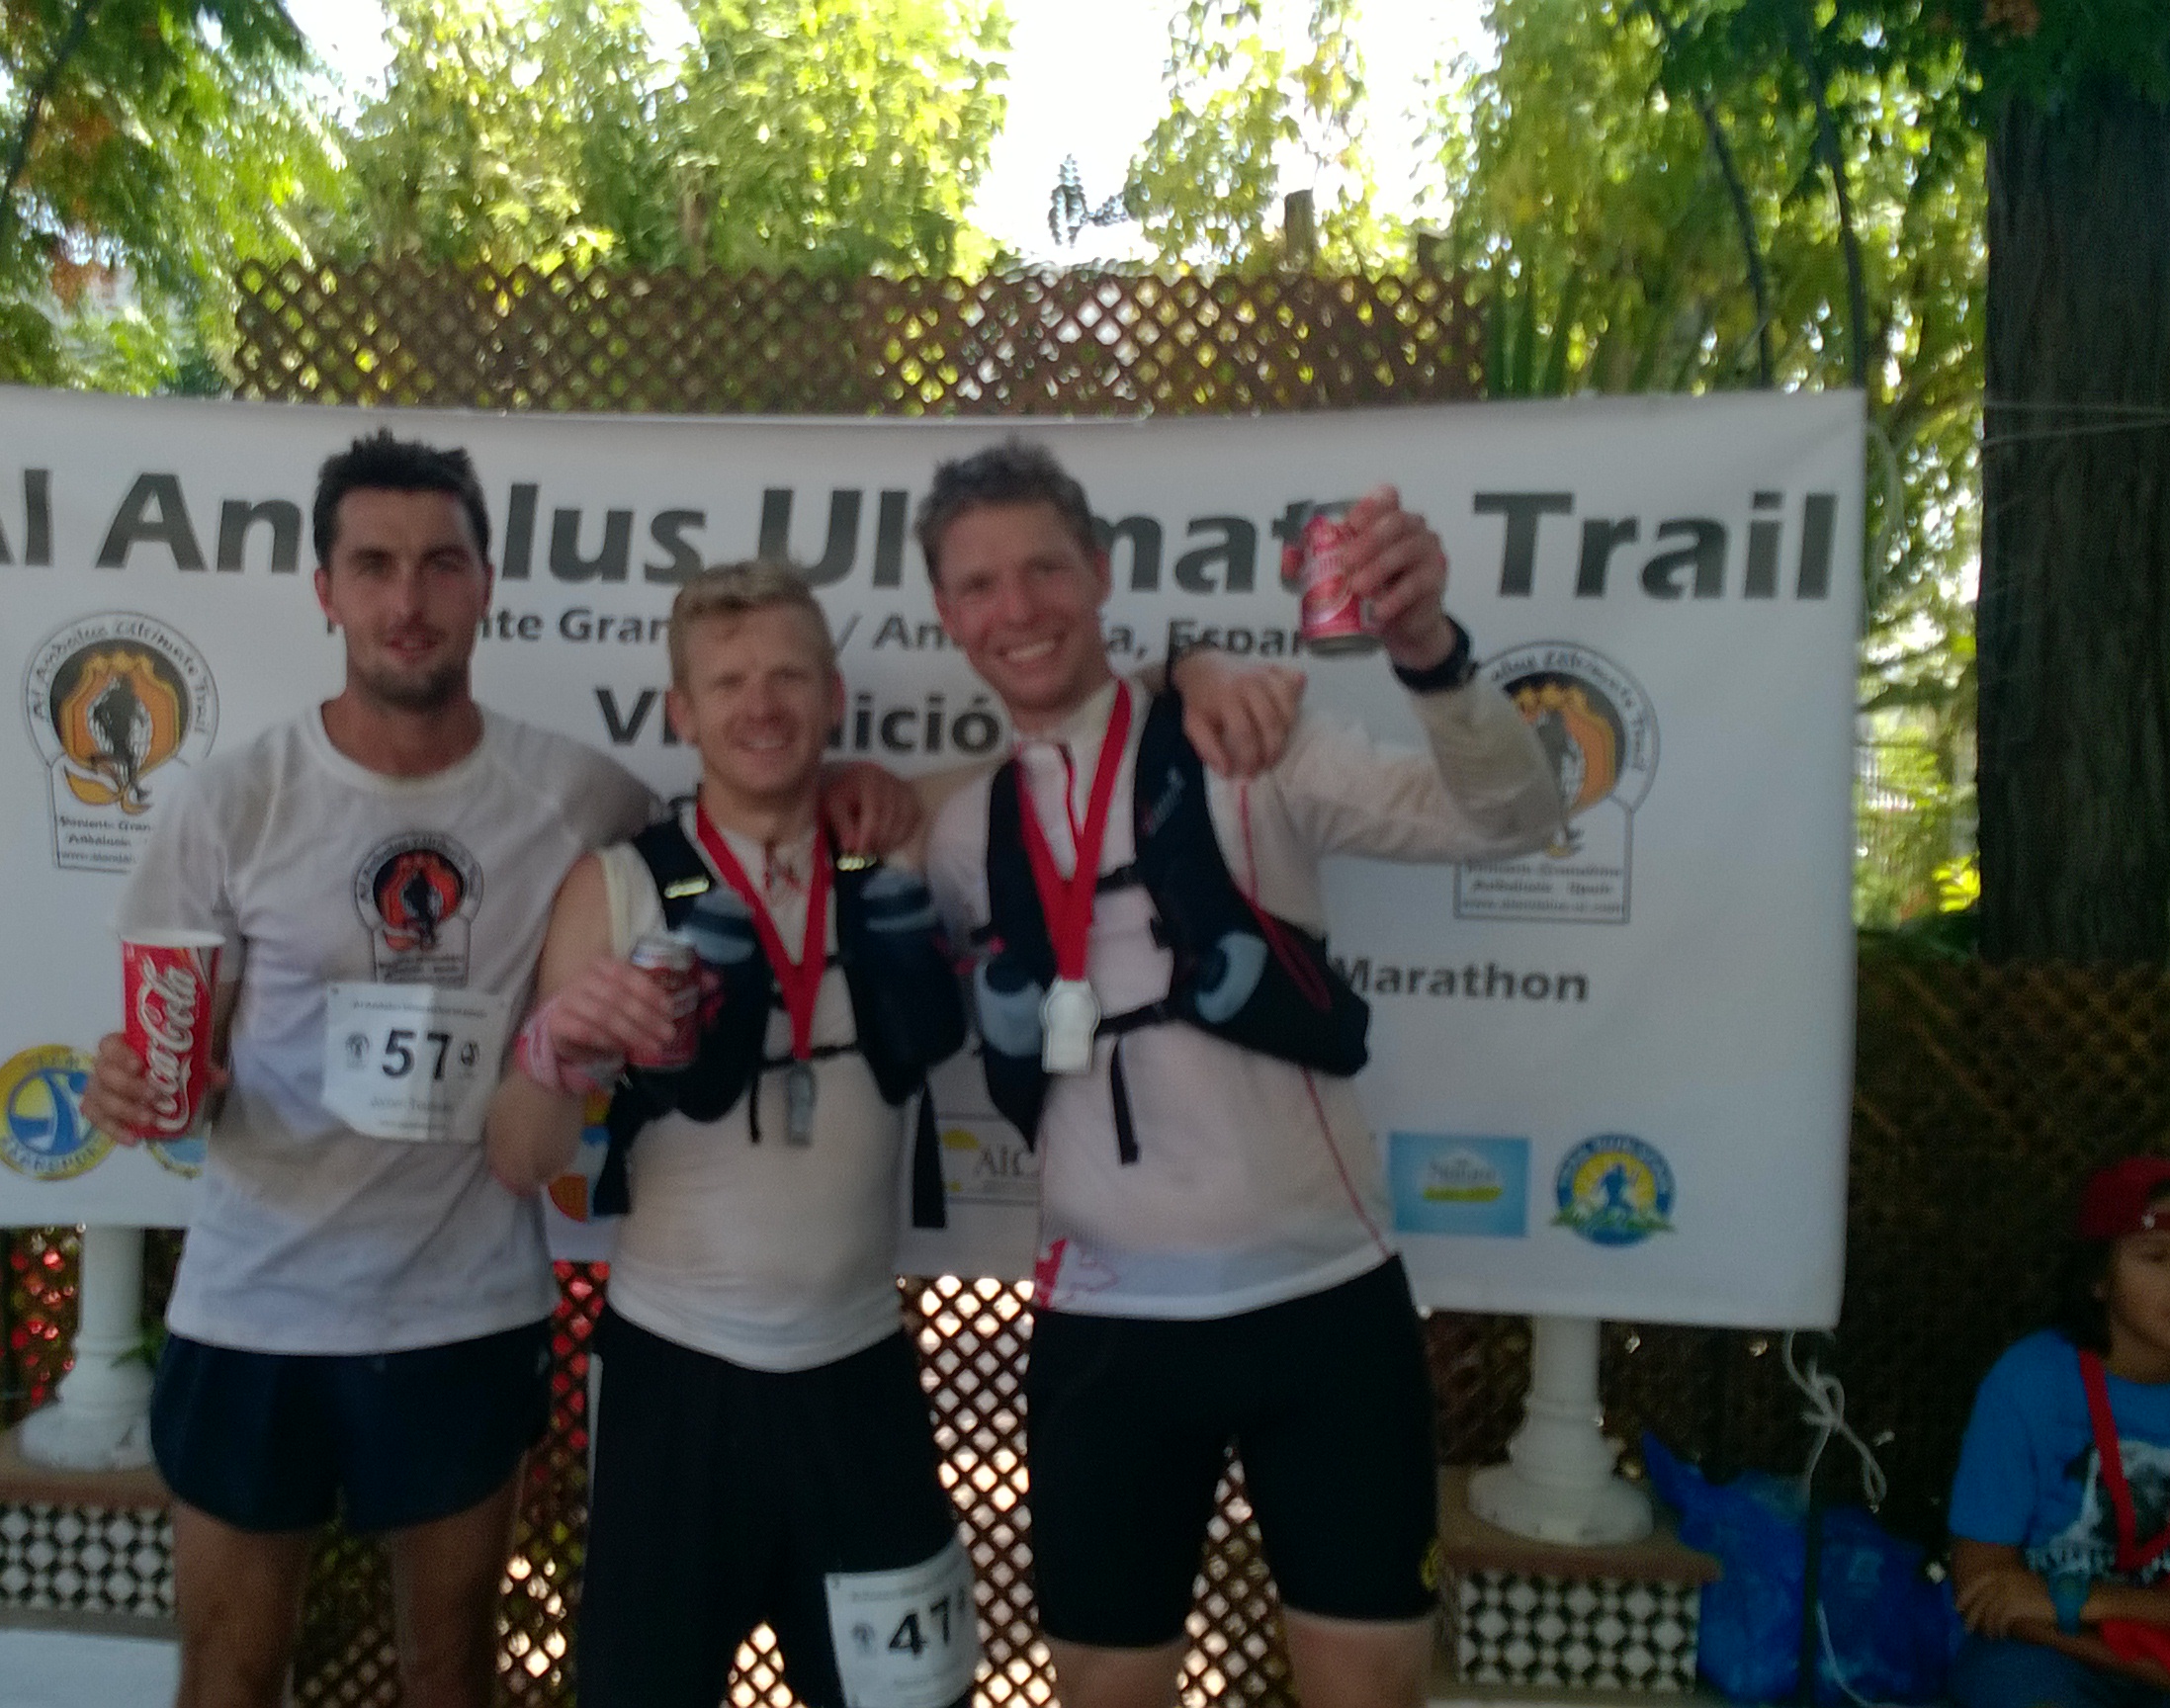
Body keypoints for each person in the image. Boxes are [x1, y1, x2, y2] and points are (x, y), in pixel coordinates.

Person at [77, 433, 920, 1708]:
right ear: (325, 590)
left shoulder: (582, 798)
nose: (406, 600)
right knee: (230, 1670)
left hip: (463, 1307)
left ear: (485, 584)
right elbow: (175, 1062)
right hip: (256, 1306)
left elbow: (746, 799)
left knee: (448, 1672)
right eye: (372, 565)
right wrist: (131, 1085)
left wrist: (854, 785)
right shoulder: (235, 798)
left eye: (438, 564)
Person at [486, 560, 1305, 1708]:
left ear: (833, 696)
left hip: (858, 1377)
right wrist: (553, 1048)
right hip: (674, 1383)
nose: (760, 706)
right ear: (682, 711)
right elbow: (521, 1160)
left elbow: (1068, 743)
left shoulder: (905, 839)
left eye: (786, 677)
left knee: (903, 1703)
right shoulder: (619, 886)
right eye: (726, 683)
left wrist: (1185, 668)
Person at [915, 439, 1567, 1708]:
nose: (1019, 609)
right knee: (1107, 1690)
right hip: (1106, 1329)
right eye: (981, 586)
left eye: (1046, 567)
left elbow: (1514, 818)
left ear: (1101, 573)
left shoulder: (1246, 743)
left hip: (1323, 1306)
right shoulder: (959, 830)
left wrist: (1428, 650)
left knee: (1368, 1690)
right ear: (947, 616)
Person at [1947, 1157, 2170, 1708]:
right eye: (2156, 1258)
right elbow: (1984, 1591)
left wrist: (2077, 1601)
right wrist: (2112, 1646)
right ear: (2097, 1279)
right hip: (2049, 1653)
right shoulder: (2027, 1381)